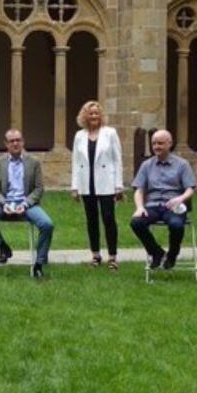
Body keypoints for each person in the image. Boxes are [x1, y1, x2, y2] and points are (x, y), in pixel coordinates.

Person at [0, 129, 55, 278]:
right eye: (12, 141)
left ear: (23, 142)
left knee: (47, 224)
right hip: (5, 203)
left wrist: (25, 204)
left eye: (18, 140)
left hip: (27, 205)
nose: (15, 143)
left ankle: (39, 263)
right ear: (6, 144)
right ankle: (2, 246)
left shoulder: (34, 163)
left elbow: (39, 189)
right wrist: (3, 203)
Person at [129, 129, 197, 270]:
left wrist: (181, 198)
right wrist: (140, 207)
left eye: (160, 143)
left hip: (173, 205)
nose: (156, 147)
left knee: (176, 225)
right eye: (154, 143)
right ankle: (157, 253)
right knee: (136, 222)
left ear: (169, 144)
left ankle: (172, 255)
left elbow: (190, 188)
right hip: (153, 205)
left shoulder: (182, 164)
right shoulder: (147, 165)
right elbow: (139, 189)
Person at [70, 100, 124, 270]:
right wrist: (75, 187)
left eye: (97, 113)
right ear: (85, 116)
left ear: (101, 116)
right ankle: (95, 254)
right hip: (87, 183)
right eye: (91, 113)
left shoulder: (110, 133)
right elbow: (76, 162)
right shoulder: (79, 135)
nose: (94, 116)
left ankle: (113, 256)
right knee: (91, 219)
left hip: (106, 182)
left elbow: (117, 160)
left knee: (108, 218)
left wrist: (118, 186)